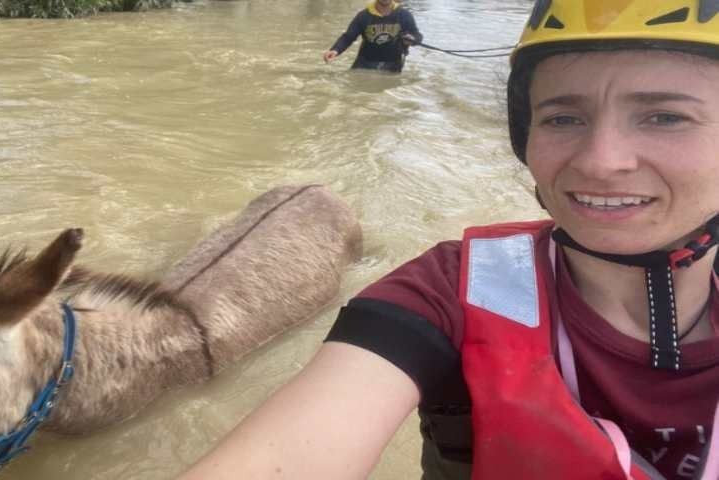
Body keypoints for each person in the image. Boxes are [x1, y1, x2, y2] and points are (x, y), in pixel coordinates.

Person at [180, 1, 718, 479]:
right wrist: (335, 51)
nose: (600, 162)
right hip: (370, 68)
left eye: (666, 117)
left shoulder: (401, 18)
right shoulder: (446, 292)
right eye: (562, 117)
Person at [322, 0, 423, 73]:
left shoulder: (404, 15)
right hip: (364, 63)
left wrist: (413, 40)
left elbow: (417, 36)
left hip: (393, 65)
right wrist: (335, 50)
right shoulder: (363, 16)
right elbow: (348, 37)